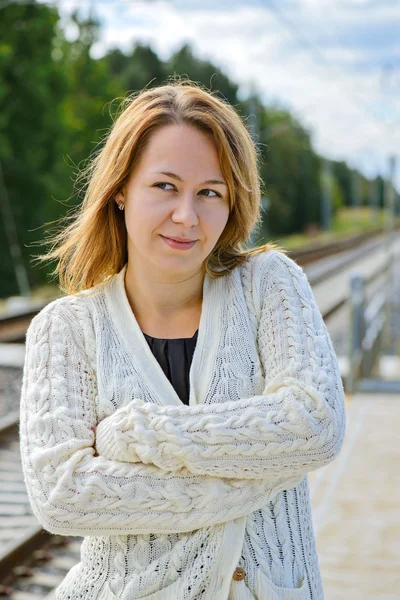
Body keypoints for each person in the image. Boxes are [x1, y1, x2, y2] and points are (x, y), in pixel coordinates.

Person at [19, 80, 346, 600]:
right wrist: (262, 468)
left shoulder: (269, 286)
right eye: (165, 186)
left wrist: (137, 434)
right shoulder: (67, 329)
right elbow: (63, 497)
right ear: (121, 188)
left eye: (209, 193)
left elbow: (316, 422)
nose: (186, 217)